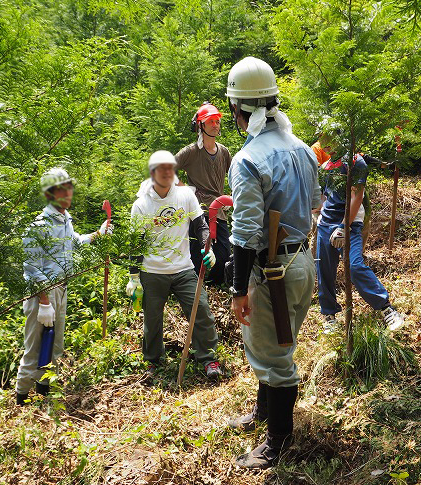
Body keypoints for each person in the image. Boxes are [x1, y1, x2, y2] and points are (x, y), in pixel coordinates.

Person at [225, 56, 321, 469]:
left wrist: (237, 289)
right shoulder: (300, 147)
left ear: (239, 109)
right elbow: (316, 203)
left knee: (275, 356)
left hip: (272, 272)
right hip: (303, 262)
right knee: (276, 346)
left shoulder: (247, 160)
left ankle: (278, 442)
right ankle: (264, 413)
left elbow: (245, 233)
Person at [17, 167, 110, 405]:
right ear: (50, 193)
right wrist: (45, 301)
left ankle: (44, 392)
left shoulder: (64, 219)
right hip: (42, 295)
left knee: (55, 346)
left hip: (61, 288)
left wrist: (97, 234)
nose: (68, 193)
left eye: (69, 188)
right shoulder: (39, 225)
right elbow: (31, 267)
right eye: (62, 189)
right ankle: (21, 399)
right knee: (34, 348)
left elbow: (74, 242)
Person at [126, 151, 222, 379]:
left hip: (183, 268)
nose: (168, 173)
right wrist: (133, 277)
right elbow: (136, 243)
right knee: (152, 320)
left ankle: (209, 359)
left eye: (171, 168)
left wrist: (209, 248)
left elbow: (200, 225)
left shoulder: (185, 196)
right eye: (162, 168)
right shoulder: (141, 205)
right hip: (152, 271)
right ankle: (153, 362)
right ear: (153, 173)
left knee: (201, 312)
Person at [315, 135, 405, 333]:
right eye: (322, 139)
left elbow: (358, 195)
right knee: (324, 270)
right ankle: (329, 314)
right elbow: (324, 197)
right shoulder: (326, 167)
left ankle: (386, 308)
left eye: (330, 137)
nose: (326, 143)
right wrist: (314, 211)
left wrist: (344, 226)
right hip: (325, 224)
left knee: (354, 265)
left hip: (350, 223)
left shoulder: (355, 161)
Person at [176, 102, 232, 286]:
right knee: (197, 253)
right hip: (198, 209)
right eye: (211, 121)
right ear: (200, 125)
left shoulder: (224, 152)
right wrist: (185, 190)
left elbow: (234, 177)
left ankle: (215, 287)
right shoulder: (191, 152)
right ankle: (195, 291)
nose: (216, 125)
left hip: (219, 209)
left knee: (223, 253)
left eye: (217, 121)